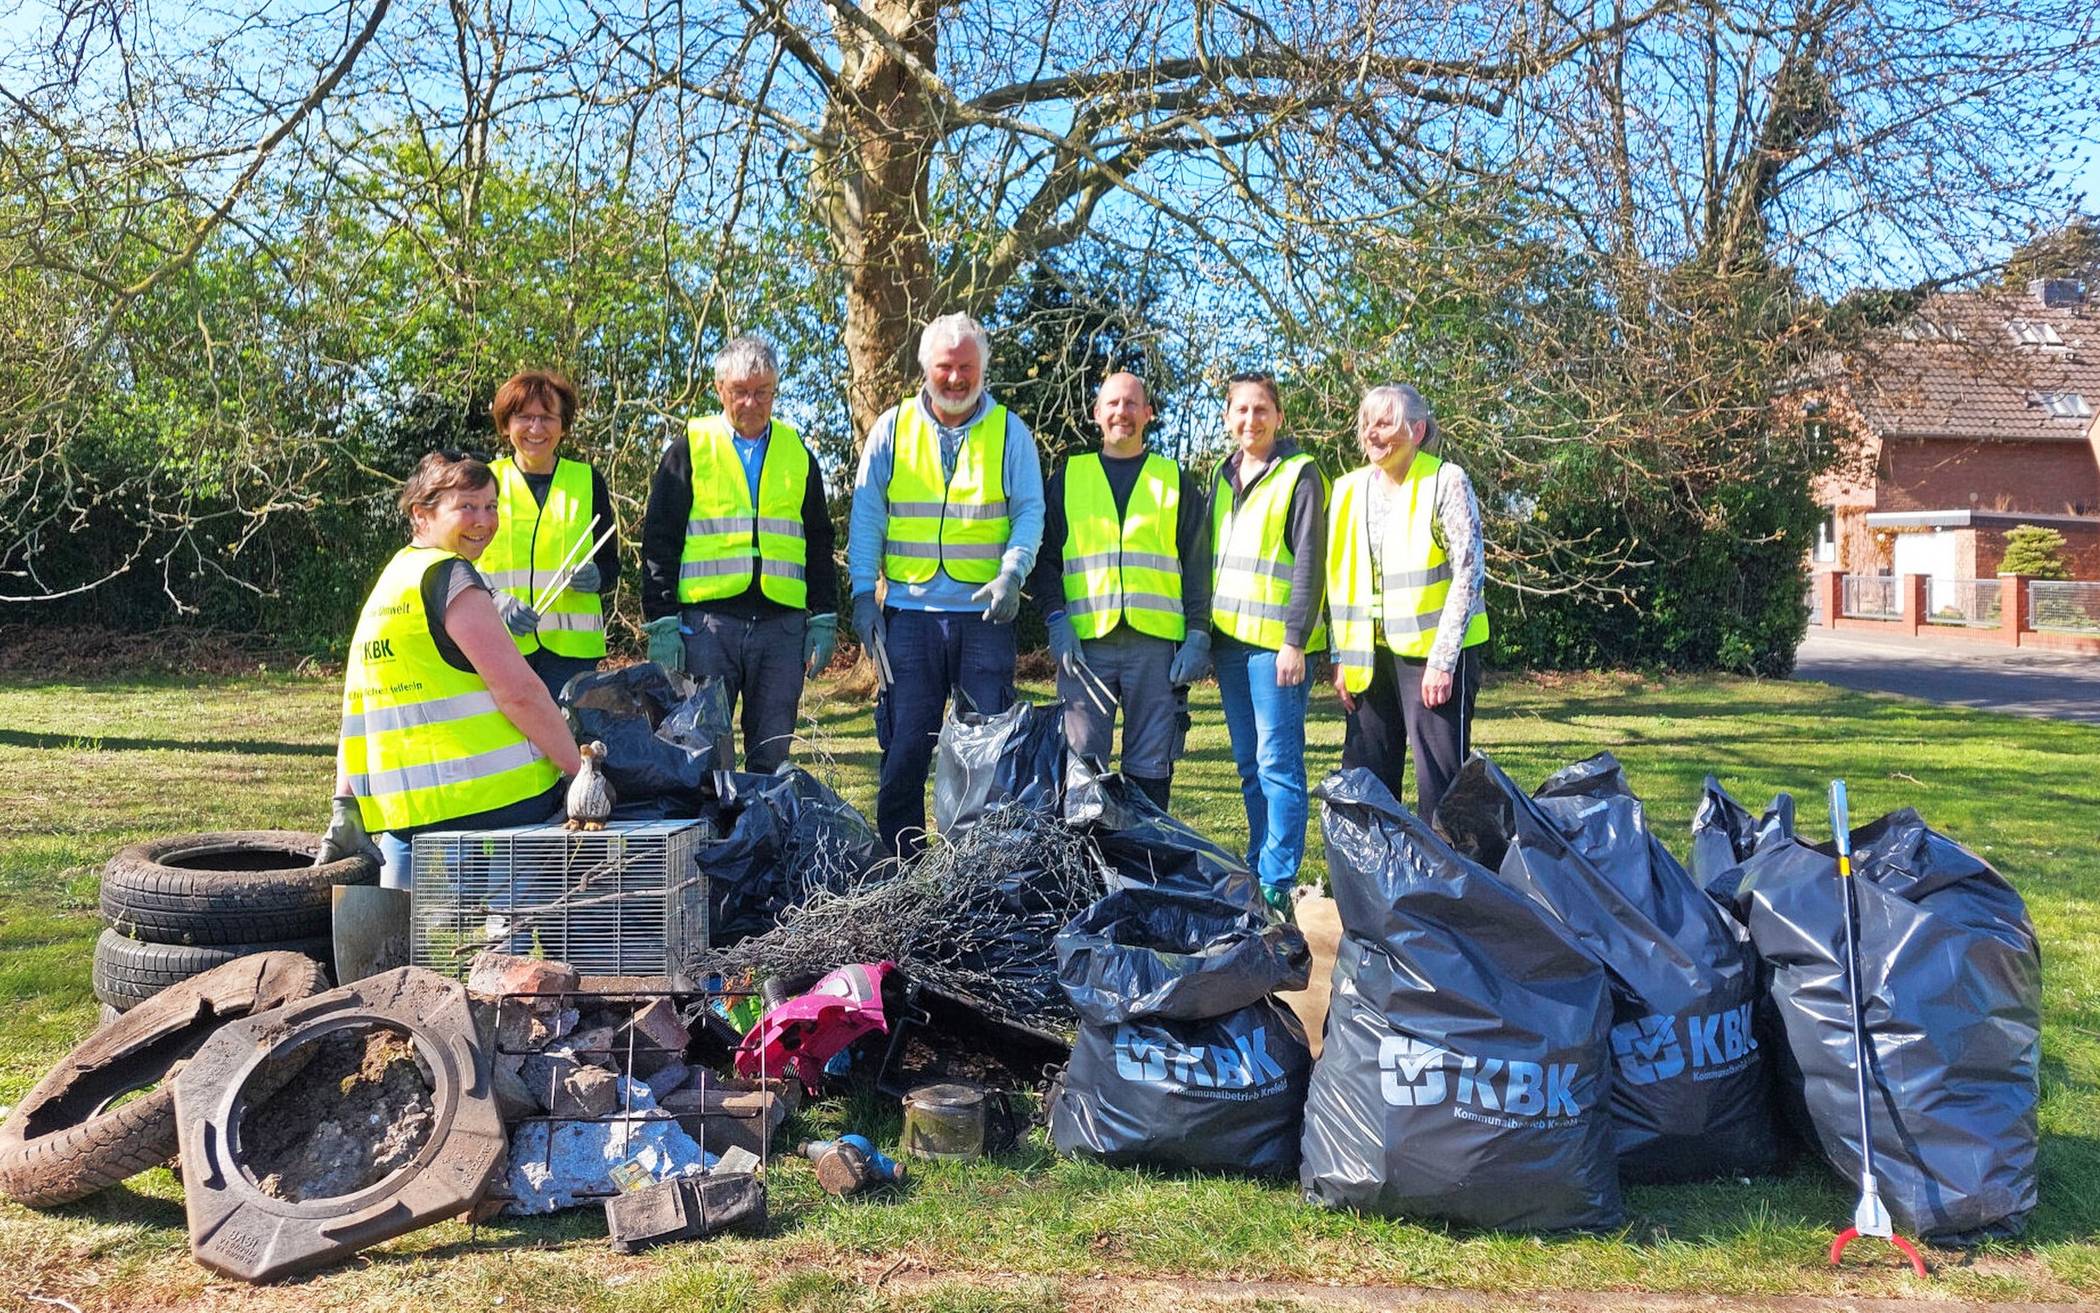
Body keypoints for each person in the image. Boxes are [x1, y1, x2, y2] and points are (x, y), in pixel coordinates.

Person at [319, 451, 583, 888]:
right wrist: (579, 771)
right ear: (421, 515)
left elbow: (360, 705)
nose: (484, 521)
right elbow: (519, 692)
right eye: (467, 507)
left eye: (491, 506)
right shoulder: (450, 577)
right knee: (519, 922)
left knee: (408, 922)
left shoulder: (391, 583)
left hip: (406, 811)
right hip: (496, 796)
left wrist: (344, 801)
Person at [848, 312, 1045, 857]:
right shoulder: (891, 429)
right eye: (945, 367)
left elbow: (1029, 511)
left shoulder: (1010, 432)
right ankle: (903, 868)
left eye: (966, 367)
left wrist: (1012, 573)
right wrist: (863, 594)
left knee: (985, 753)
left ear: (983, 369)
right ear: (925, 368)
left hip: (985, 618)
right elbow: (867, 516)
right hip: (908, 616)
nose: (955, 378)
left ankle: (976, 868)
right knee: (905, 748)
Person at [639, 335, 839, 773]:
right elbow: (660, 537)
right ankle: (710, 822)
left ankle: (764, 820)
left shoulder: (797, 452)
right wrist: (661, 621)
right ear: (719, 389)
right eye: (740, 391)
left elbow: (819, 539)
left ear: (775, 390)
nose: (751, 402)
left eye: (762, 392)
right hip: (707, 628)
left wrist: (824, 616)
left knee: (773, 753)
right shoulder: (691, 447)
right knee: (701, 754)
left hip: (782, 628)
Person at [1029, 372, 1211, 808]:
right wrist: (1055, 618)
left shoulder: (1173, 480)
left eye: (1131, 404)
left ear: (1148, 413)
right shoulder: (1069, 478)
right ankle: (1086, 854)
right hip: (1085, 646)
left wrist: (1199, 632)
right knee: (1081, 767)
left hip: (1157, 648)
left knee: (1151, 768)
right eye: (1112, 403)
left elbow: (1199, 564)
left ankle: (1143, 852)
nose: (1121, 412)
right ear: (1096, 413)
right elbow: (1043, 558)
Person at [1327, 383, 1488, 820]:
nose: (1371, 433)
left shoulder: (1445, 481)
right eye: (1366, 423)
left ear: (1416, 431)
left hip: (1433, 659)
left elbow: (1469, 571)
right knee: (1365, 785)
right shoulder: (1347, 489)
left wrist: (1443, 661)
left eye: (1384, 423)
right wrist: (1341, 656)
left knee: (1441, 786)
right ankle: (1375, 868)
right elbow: (1339, 578)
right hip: (1367, 659)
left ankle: (1446, 866)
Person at [1208, 372, 1326, 918]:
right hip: (1230, 644)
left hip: (1278, 647)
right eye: (1241, 410)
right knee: (1248, 765)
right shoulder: (1222, 475)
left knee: (1278, 763)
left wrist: (1295, 640)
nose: (1251, 420)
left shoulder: (1300, 473)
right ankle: (1258, 865)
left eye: (1261, 410)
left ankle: (1278, 880)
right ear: (1228, 417)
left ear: (1279, 416)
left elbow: (1309, 563)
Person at [480, 370, 621, 702]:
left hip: (571, 656)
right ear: (506, 424)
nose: (536, 428)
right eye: (524, 417)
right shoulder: (483, 481)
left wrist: (598, 576)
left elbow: (610, 563)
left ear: (563, 425)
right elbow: (456, 562)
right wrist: (494, 599)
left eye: (547, 418)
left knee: (564, 735)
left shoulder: (588, 481)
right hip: (499, 643)